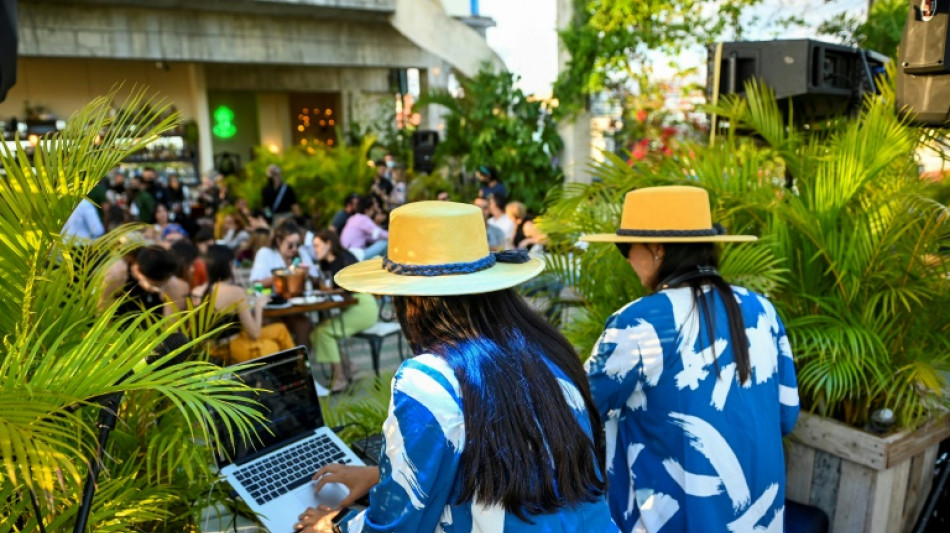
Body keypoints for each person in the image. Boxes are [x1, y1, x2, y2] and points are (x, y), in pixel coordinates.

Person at [294, 201, 618, 533]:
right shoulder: (546, 350)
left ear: (410, 300)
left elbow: (399, 525)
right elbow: (513, 459)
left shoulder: (429, 380)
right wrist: (382, 475)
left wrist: (332, 527)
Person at [580, 186, 800, 532]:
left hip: (673, 518)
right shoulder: (763, 311)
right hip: (759, 516)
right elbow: (786, 415)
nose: (625, 258)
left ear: (657, 249)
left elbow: (578, 410)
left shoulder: (639, 322)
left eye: (625, 247)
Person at [193, 245, 296, 365]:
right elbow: (255, 334)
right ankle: (297, 374)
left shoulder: (196, 292)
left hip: (209, 349)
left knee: (280, 329)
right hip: (232, 349)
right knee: (273, 345)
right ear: (230, 266)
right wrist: (258, 306)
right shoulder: (235, 292)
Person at [309, 229, 378, 393]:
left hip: (362, 305)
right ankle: (350, 367)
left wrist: (331, 291)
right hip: (349, 307)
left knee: (324, 333)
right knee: (316, 333)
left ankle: (340, 378)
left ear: (329, 243)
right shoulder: (325, 265)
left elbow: (353, 285)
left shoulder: (346, 258)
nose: (315, 250)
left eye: (317, 245)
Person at [100, 244, 190, 317]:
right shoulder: (116, 275)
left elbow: (170, 327)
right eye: (154, 286)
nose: (156, 289)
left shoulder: (171, 283)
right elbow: (103, 313)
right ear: (137, 270)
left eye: (161, 286)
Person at [249, 220, 310, 288]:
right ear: (279, 241)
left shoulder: (300, 254)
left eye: (297, 245)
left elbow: (316, 279)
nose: (294, 249)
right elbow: (255, 285)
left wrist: (305, 275)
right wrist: (282, 277)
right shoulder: (265, 253)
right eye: (290, 245)